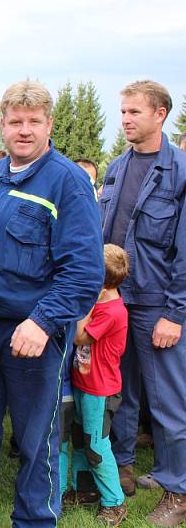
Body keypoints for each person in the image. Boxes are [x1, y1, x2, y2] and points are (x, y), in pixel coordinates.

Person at [0, 80, 104, 528]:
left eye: (34, 121)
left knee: (36, 442)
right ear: (3, 126)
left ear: (49, 124)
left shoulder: (68, 183)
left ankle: (34, 520)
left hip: (33, 334)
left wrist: (42, 320)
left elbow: (83, 272)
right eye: (16, 121)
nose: (25, 130)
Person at [101, 80, 186, 526]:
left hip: (157, 304)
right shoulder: (116, 167)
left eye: (135, 112)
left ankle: (179, 490)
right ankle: (125, 469)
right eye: (123, 112)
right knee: (120, 392)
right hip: (116, 301)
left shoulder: (180, 171)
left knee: (168, 401)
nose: (127, 119)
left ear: (161, 114)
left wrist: (176, 313)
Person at [60, 244, 129, 526]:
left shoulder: (111, 311)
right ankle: (85, 490)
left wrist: (86, 302)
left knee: (96, 447)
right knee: (80, 442)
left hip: (100, 392)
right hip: (84, 385)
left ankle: (115, 503)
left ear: (100, 281)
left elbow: (79, 337)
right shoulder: (103, 303)